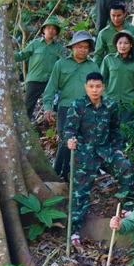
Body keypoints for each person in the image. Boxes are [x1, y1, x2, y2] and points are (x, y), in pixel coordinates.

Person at [64, 72, 134, 246]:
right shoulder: (78, 105)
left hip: (105, 151)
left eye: (98, 86)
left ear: (103, 87)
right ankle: (74, 231)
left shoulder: (110, 105)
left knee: (125, 168)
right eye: (91, 86)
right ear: (86, 87)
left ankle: (127, 208)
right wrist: (70, 140)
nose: (94, 90)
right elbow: (69, 129)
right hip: (84, 154)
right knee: (79, 192)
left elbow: (115, 129)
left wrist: (118, 150)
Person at [43, 31, 101, 177]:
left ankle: (71, 174)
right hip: (65, 107)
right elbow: (51, 87)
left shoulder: (92, 66)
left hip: (86, 107)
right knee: (65, 140)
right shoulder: (61, 64)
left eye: (86, 47)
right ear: (73, 47)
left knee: (80, 140)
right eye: (80, 46)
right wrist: (48, 106)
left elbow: (98, 88)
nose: (83, 50)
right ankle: (56, 173)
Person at [14, 16, 64, 116]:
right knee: (28, 104)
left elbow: (62, 65)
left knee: (55, 102)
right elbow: (22, 55)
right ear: (44, 30)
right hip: (34, 79)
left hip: (50, 80)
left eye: (53, 28)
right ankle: (26, 128)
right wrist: (9, 55)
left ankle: (53, 124)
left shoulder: (58, 48)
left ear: (56, 32)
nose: (51, 30)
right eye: (48, 28)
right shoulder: (35, 44)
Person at [100, 30, 134, 125]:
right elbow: (100, 82)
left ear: (131, 45)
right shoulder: (108, 59)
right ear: (116, 44)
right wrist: (105, 98)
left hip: (129, 102)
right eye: (120, 43)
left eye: (126, 43)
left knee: (124, 130)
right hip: (110, 102)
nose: (122, 46)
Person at [94, 1, 134, 66]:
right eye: (113, 15)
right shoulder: (104, 33)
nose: (116, 19)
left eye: (119, 15)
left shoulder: (132, 30)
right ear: (109, 15)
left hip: (129, 67)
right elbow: (98, 55)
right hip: (112, 69)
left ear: (124, 14)